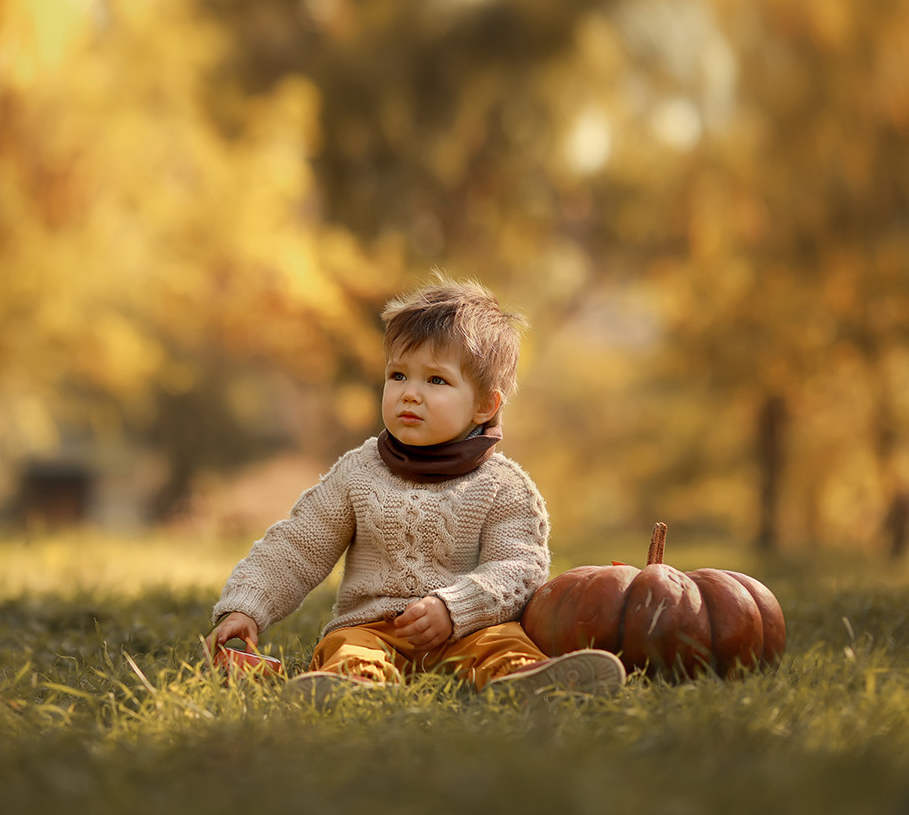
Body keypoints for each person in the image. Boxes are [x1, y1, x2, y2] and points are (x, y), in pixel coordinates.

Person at [205, 276, 625, 704]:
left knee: (502, 644)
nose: (410, 393)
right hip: (372, 625)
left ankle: (531, 682)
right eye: (399, 375)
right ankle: (354, 684)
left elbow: (518, 568)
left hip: (467, 628)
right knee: (348, 647)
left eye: (436, 381)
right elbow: (297, 547)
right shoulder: (359, 473)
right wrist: (246, 606)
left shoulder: (504, 487)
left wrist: (454, 607)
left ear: (485, 405)